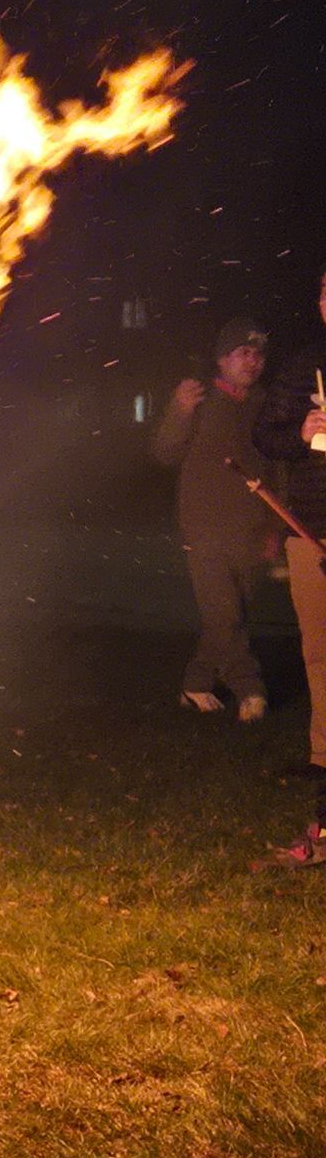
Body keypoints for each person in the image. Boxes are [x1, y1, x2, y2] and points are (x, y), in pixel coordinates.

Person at [150, 317, 279, 720]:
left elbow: (276, 469)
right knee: (225, 613)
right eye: (243, 352)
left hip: (251, 530)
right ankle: (250, 689)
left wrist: (273, 529)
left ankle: (197, 683)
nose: (253, 361)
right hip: (204, 530)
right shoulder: (199, 400)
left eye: (259, 355)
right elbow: (164, 452)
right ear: (222, 359)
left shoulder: (265, 406)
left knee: (227, 616)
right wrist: (180, 410)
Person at [254, 268, 326, 858]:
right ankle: (324, 767)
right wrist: (300, 432)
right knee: (320, 651)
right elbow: (266, 435)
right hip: (312, 530)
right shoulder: (305, 365)